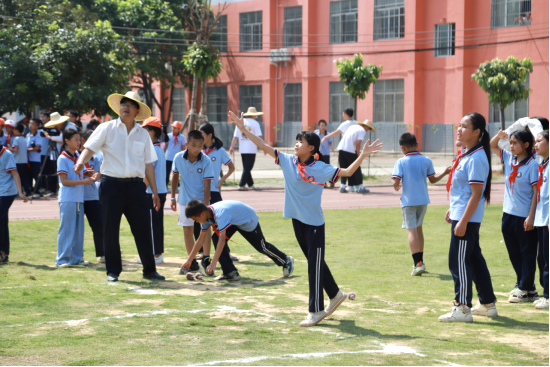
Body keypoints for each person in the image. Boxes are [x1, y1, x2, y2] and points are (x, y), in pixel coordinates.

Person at [229, 110, 383, 328]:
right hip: (297, 221)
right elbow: (263, 145)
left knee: (313, 266)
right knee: (315, 262)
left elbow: (347, 172)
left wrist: (363, 154)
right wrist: (243, 129)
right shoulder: (287, 161)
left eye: (300, 141)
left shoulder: (320, 168)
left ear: (311, 147)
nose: (296, 144)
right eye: (296, 141)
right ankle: (336, 295)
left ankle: (316, 310)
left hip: (314, 224)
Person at [75, 91, 165, 283]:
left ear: (137, 110)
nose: (125, 106)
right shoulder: (106, 128)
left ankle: (149, 270)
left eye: (130, 104)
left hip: (136, 187)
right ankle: (113, 271)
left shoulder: (143, 134)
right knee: (110, 230)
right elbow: (90, 148)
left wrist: (155, 192)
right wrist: (81, 162)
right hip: (111, 185)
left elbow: (149, 164)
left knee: (143, 230)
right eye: (123, 103)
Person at [439, 112, 498, 323]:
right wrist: (453, 210)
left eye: (464, 126)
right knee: (474, 259)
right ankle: (488, 303)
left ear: (476, 132)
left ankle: (462, 308)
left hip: (467, 219)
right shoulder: (466, 153)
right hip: (462, 214)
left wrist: (462, 220)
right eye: (459, 125)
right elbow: (463, 191)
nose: (459, 129)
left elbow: (476, 194)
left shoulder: (476, 157)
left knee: (459, 262)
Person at [181, 200, 295, 281]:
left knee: (262, 247)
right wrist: (189, 261)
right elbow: (200, 240)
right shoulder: (205, 216)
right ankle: (230, 272)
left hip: (246, 220)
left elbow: (222, 240)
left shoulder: (220, 214)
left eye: (196, 219)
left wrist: (214, 263)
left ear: (202, 214)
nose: (196, 222)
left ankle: (285, 260)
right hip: (233, 220)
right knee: (215, 237)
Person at [392, 133, 451, 276]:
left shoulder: (401, 161)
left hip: (408, 201)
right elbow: (433, 180)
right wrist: (445, 172)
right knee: (419, 229)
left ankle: (417, 264)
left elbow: (395, 183)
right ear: (417, 144)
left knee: (411, 231)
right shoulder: (426, 160)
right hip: (423, 201)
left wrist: (396, 186)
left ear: (403, 147)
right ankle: (421, 262)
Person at [491, 129, 540, 303]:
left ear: (526, 145)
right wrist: (499, 136)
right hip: (508, 214)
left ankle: (524, 287)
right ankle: (527, 287)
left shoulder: (533, 165)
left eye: (514, 143)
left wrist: (531, 217)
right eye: (510, 142)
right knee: (514, 253)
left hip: (524, 216)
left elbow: (536, 193)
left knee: (527, 253)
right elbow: (492, 145)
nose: (511, 146)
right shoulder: (508, 158)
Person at [170, 130, 214, 274]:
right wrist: (172, 197)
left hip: (201, 201)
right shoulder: (178, 157)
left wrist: (206, 206)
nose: (197, 149)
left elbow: (208, 185)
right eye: (193, 145)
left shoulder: (206, 160)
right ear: (187, 144)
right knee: (187, 231)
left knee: (206, 231)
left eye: (200, 146)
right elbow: (175, 176)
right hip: (184, 201)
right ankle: (192, 261)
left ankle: (206, 258)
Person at [56, 129, 95, 268]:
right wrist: (83, 181)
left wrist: (89, 173)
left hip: (79, 198)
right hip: (68, 199)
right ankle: (62, 259)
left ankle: (76, 259)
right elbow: (65, 181)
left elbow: (83, 173)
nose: (79, 143)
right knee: (66, 229)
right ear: (67, 141)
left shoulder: (78, 156)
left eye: (80, 140)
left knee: (78, 231)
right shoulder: (62, 158)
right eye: (76, 140)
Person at [199, 122, 237, 265]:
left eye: (202, 134)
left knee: (219, 224)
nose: (200, 137)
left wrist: (221, 182)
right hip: (201, 192)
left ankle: (225, 253)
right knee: (202, 222)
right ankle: (204, 254)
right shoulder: (199, 150)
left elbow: (231, 168)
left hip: (214, 192)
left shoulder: (220, 151)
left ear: (209, 135)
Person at [140, 117, 168, 265]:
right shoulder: (159, 148)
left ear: (151, 132)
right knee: (155, 224)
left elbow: (147, 174)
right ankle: (156, 253)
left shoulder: (153, 150)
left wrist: (140, 190)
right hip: (158, 191)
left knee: (152, 225)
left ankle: (156, 254)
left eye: (144, 129)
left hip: (153, 193)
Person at [0, 142, 29, 264]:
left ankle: (2, 252)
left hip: (7, 192)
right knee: (2, 221)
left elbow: (15, 173)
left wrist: (20, 192)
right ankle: (4, 253)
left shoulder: (6, 154)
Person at [79, 130, 105, 264]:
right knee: (78, 227)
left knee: (99, 225)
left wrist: (98, 175)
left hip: (93, 197)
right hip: (77, 197)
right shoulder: (76, 157)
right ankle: (78, 255)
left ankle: (102, 253)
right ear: (84, 141)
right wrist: (84, 174)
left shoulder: (96, 158)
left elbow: (101, 173)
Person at [320, 109, 361, 193]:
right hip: (352, 150)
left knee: (343, 167)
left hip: (344, 148)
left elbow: (336, 133)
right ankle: (351, 186)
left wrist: (325, 137)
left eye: (342, 114)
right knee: (352, 168)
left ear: (345, 114)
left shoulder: (345, 124)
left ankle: (343, 186)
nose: (342, 115)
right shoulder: (356, 123)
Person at [336, 120, 377, 194]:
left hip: (341, 148)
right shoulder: (362, 130)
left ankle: (344, 186)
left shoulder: (353, 127)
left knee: (344, 168)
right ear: (367, 126)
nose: (368, 130)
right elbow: (358, 144)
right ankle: (360, 187)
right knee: (356, 168)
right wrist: (358, 156)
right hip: (350, 150)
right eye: (369, 129)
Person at [229, 107, 264, 191]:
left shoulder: (241, 122)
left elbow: (235, 136)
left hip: (242, 149)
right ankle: (241, 184)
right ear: (254, 115)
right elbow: (259, 137)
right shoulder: (255, 123)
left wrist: (232, 146)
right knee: (248, 167)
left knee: (246, 167)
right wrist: (263, 147)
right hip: (251, 149)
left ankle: (250, 184)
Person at [533, 130, 549, 310]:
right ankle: (546, 293)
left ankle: (548, 296)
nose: (536, 144)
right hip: (541, 219)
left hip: (547, 219)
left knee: (547, 259)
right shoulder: (543, 164)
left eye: (539, 141)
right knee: (542, 258)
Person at [9, 123, 33, 198]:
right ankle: (28, 192)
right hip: (24, 161)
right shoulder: (24, 138)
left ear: (16, 130)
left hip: (17, 161)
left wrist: (7, 149)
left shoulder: (16, 139)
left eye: (14, 130)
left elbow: (15, 150)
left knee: (17, 178)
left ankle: (17, 193)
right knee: (25, 177)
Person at [164, 121, 187, 186]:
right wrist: (162, 155)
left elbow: (183, 148)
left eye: (175, 127)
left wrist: (184, 158)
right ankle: (165, 186)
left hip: (177, 159)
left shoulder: (182, 138)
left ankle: (177, 185)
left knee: (177, 173)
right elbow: (165, 146)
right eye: (173, 127)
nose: (173, 128)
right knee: (166, 173)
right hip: (168, 158)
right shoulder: (168, 136)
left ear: (179, 129)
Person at [315, 120, 334, 188]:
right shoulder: (316, 134)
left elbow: (330, 142)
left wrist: (331, 147)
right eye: (321, 126)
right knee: (320, 169)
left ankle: (331, 182)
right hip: (319, 154)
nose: (323, 127)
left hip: (326, 154)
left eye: (324, 126)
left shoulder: (328, 134)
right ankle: (324, 183)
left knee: (327, 168)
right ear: (319, 126)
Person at [26, 119, 43, 197]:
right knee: (29, 175)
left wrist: (27, 149)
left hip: (35, 159)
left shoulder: (38, 135)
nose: (30, 125)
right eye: (29, 123)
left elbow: (37, 148)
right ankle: (30, 191)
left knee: (36, 175)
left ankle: (37, 191)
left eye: (32, 124)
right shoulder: (28, 135)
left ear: (37, 126)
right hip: (28, 159)